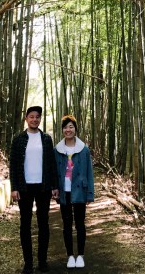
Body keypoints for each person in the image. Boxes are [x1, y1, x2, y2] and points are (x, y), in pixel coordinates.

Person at [9, 106, 59, 274]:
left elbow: (52, 164)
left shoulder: (46, 139)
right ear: (26, 119)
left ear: (40, 119)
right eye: (31, 117)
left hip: (43, 186)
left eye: (37, 117)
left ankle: (42, 261)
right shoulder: (18, 139)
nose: (35, 119)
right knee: (25, 224)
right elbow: (14, 166)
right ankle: (28, 263)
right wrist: (14, 188)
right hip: (25, 187)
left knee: (43, 223)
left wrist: (55, 186)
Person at [54, 114, 94, 270]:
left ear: (76, 129)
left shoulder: (83, 149)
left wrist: (90, 193)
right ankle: (70, 255)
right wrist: (54, 188)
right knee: (66, 224)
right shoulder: (57, 149)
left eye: (71, 126)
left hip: (79, 191)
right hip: (65, 191)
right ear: (62, 130)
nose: (68, 130)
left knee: (80, 224)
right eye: (65, 127)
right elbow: (54, 171)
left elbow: (89, 172)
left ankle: (81, 255)